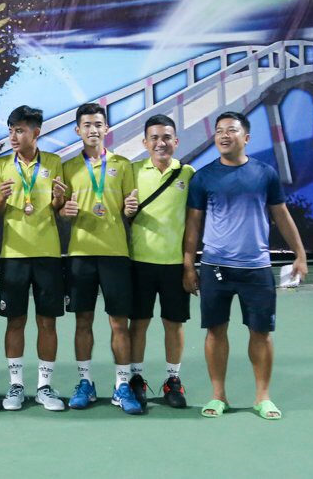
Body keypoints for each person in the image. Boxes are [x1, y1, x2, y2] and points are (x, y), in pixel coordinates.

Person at [183, 111, 308, 420]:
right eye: (219, 131)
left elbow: (281, 215)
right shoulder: (203, 177)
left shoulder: (265, 174)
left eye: (232, 130)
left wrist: (300, 254)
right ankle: (218, 396)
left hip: (256, 268)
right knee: (215, 332)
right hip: (215, 267)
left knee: (261, 333)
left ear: (246, 137)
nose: (224, 135)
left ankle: (263, 397)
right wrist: (188, 264)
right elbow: (193, 224)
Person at [60, 103, 142, 415]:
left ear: (106, 129)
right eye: (87, 125)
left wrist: (130, 209)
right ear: (77, 130)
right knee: (82, 321)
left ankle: (122, 385)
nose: (93, 130)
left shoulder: (123, 165)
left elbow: (128, 208)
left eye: (98, 124)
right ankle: (85, 382)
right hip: (80, 254)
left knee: (119, 322)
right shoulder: (68, 168)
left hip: (115, 254)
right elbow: (60, 208)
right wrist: (63, 210)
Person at [0, 106, 67, 412]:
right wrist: (1, 197)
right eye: (11, 130)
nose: (13, 136)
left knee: (47, 321)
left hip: (48, 255)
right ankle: (16, 385)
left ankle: (44, 386)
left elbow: (59, 207)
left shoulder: (54, 162)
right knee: (15, 320)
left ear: (36, 133)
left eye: (20, 130)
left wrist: (59, 199)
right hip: (14, 256)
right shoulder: (0, 165)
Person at [128, 114, 196, 410]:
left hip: (174, 265)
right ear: (145, 142)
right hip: (138, 263)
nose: (160, 143)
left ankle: (173, 380)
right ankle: (136, 378)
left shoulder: (188, 174)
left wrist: (189, 264)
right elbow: (119, 212)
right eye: (154, 138)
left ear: (176, 141)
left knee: (173, 324)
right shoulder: (131, 171)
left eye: (166, 137)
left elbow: (193, 223)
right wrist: (126, 210)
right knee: (138, 323)